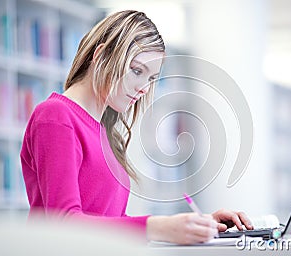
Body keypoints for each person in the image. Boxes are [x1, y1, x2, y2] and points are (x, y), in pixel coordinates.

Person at [20, 10, 253, 245]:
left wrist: (193, 226)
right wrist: (156, 227)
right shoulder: (56, 116)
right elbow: (63, 223)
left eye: (151, 78)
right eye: (137, 71)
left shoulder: (103, 131)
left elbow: (111, 221)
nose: (143, 88)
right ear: (100, 56)